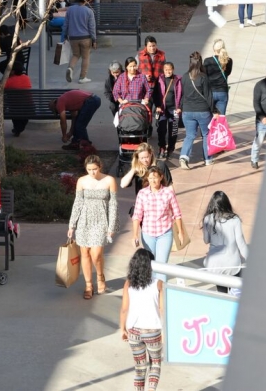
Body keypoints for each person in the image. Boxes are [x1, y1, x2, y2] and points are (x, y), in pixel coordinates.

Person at [67, 154, 119, 298]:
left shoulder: (109, 180)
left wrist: (111, 226)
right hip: (84, 220)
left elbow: (113, 205)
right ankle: (88, 285)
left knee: (96, 255)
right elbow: (77, 203)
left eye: (95, 169)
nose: (92, 172)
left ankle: (100, 276)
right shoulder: (82, 181)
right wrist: (72, 225)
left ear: (100, 167)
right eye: (89, 170)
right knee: (84, 253)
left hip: (101, 220)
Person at [119, 249, 164, 391]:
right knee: (155, 363)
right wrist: (164, 331)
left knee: (139, 367)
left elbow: (124, 309)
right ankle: (151, 389)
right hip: (153, 330)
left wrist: (123, 329)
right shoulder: (158, 283)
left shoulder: (128, 284)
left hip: (134, 330)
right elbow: (162, 309)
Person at [131, 166, 186, 280]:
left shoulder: (168, 193)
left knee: (161, 266)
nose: (153, 181)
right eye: (150, 178)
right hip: (148, 233)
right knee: (150, 264)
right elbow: (137, 215)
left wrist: (180, 232)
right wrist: (135, 235)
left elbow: (177, 213)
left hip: (165, 233)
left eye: (155, 177)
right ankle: (151, 290)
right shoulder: (142, 193)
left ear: (161, 177)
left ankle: (161, 291)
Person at [202, 191, 249, 293]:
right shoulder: (235, 219)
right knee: (237, 291)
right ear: (227, 203)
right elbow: (241, 244)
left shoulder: (207, 219)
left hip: (215, 265)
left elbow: (206, 240)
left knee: (222, 293)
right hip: (233, 265)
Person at [178, 52, 219, 169]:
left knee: (190, 135)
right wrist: (214, 110)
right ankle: (208, 159)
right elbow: (208, 95)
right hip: (203, 111)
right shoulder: (203, 77)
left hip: (187, 110)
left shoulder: (185, 76)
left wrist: (181, 107)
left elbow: (183, 95)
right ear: (200, 62)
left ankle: (184, 156)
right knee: (206, 134)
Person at [63, 0, 97, 84]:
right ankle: (82, 77)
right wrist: (94, 39)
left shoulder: (70, 10)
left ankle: (71, 68)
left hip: (73, 37)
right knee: (85, 57)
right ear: (86, 0)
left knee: (75, 55)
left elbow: (65, 24)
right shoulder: (89, 11)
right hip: (86, 37)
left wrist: (65, 35)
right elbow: (92, 27)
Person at [154, 63, 182, 161]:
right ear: (163, 70)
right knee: (161, 130)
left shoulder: (177, 80)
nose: (168, 71)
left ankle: (171, 148)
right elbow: (155, 94)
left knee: (173, 130)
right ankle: (162, 147)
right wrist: (157, 105)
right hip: (162, 109)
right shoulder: (159, 79)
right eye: (166, 69)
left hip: (174, 109)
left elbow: (182, 94)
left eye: (169, 69)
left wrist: (180, 107)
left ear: (173, 69)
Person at [204, 39, 232, 115]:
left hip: (210, 92)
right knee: (220, 118)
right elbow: (228, 73)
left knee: (208, 118)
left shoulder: (207, 61)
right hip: (223, 91)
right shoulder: (228, 60)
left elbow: (204, 75)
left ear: (214, 48)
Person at [5, 60, 32, 136]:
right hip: (28, 107)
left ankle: (17, 128)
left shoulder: (8, 81)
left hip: (15, 108)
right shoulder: (27, 78)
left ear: (13, 71)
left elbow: (1, 89)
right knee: (22, 113)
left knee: (14, 110)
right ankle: (19, 128)